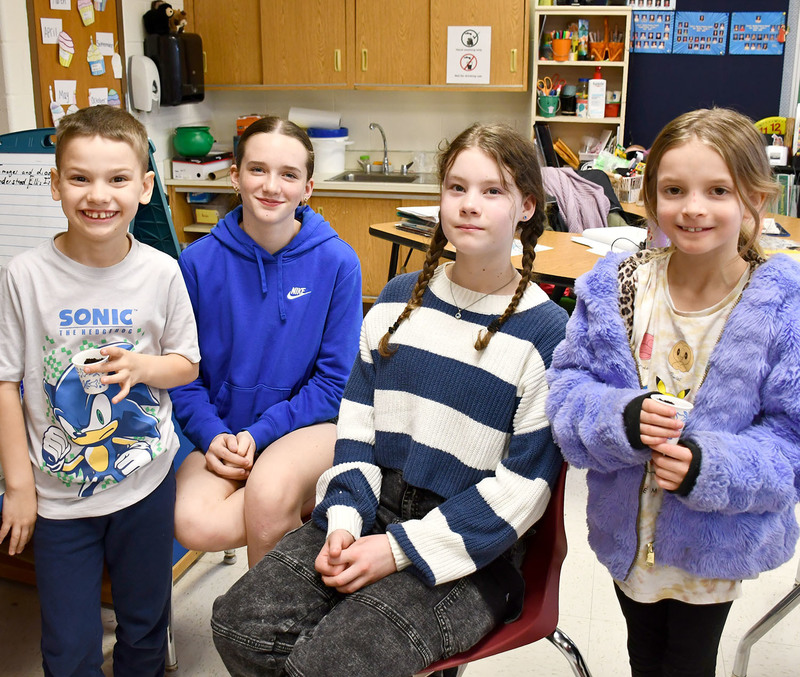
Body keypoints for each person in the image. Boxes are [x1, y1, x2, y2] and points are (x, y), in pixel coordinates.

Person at [210, 122, 568, 676]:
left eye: (491, 191)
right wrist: (346, 522)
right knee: (240, 626)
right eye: (456, 188)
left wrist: (395, 550)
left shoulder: (545, 334)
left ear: (526, 206)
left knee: (326, 666)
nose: (469, 205)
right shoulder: (396, 304)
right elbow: (355, 429)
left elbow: (522, 492)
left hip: (472, 548)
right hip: (372, 509)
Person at [545, 107, 800, 677]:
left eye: (718, 190)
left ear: (756, 199)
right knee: (643, 653)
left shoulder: (781, 307)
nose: (693, 207)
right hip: (626, 535)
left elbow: (792, 439)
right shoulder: (619, 288)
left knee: (687, 661)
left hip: (712, 543)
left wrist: (709, 466)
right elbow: (566, 390)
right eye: (674, 189)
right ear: (649, 196)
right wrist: (620, 419)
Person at [0, 105, 200, 675]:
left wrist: (142, 368)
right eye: (80, 177)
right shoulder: (25, 275)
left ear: (144, 186)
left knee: (144, 628)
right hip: (59, 498)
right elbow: (6, 380)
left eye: (117, 179)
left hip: (145, 485)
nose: (99, 195)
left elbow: (186, 364)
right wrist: (19, 487)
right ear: (56, 183)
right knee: (68, 647)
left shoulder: (161, 271)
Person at [170, 116, 362, 567]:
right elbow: (182, 374)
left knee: (269, 493)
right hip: (226, 432)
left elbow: (335, 384)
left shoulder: (337, 262)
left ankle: (264, 632)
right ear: (234, 176)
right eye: (257, 170)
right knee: (194, 522)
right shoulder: (196, 264)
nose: (271, 186)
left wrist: (261, 434)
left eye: (288, 174)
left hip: (306, 428)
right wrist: (213, 434)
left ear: (308, 188)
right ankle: (303, 517)